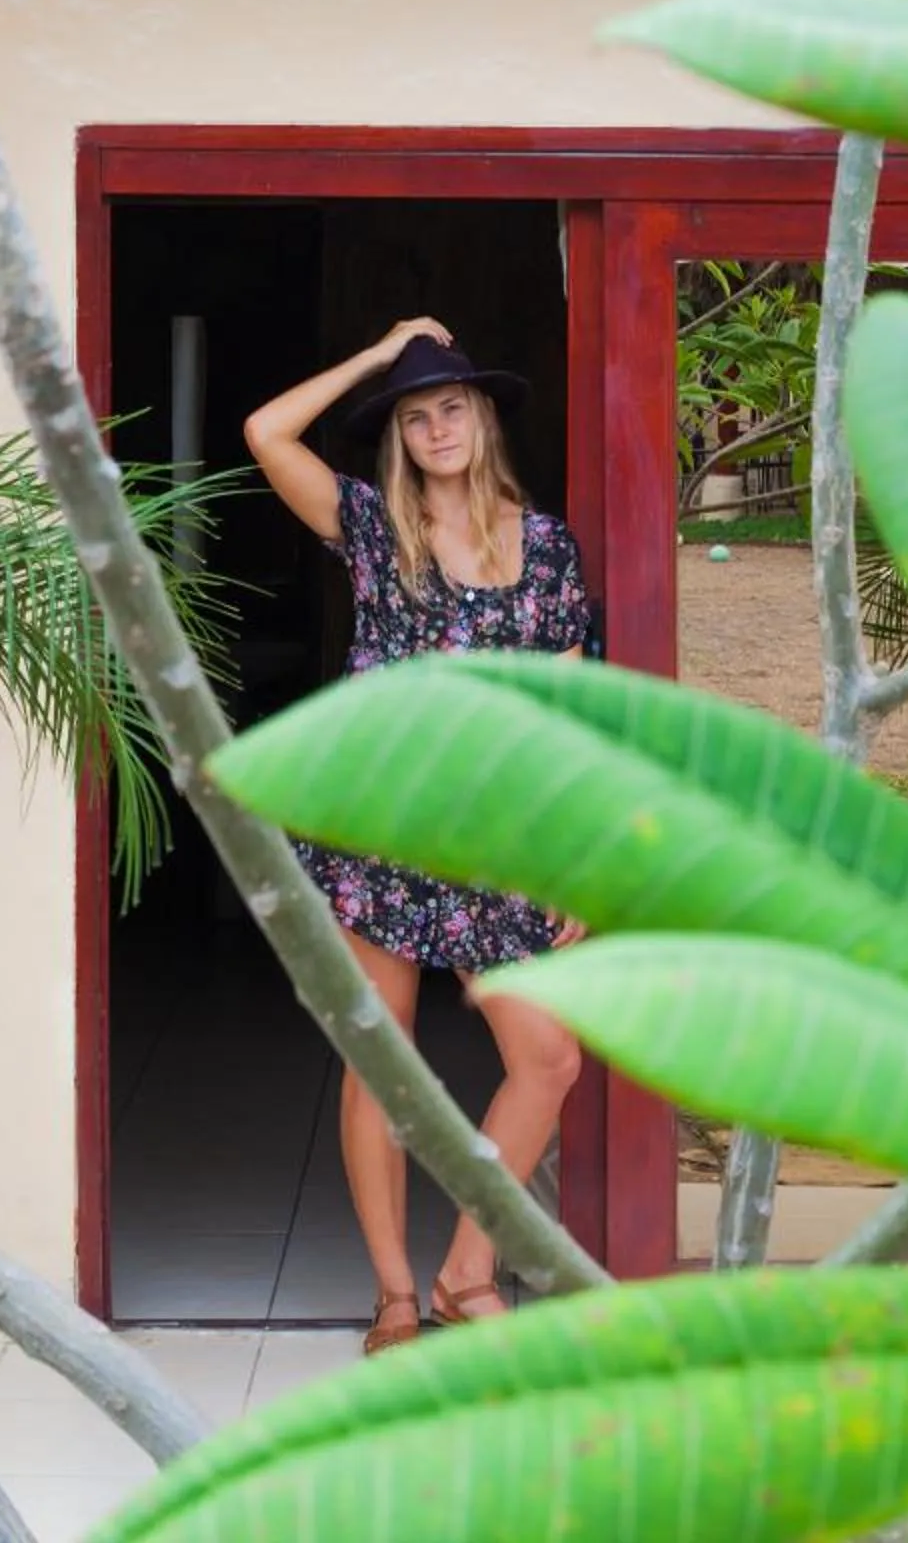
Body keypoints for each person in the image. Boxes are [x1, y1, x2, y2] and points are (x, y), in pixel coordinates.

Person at [243, 316, 593, 1356]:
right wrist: (377, 354)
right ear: (397, 438)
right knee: (381, 1063)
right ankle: (396, 1296)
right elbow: (267, 431)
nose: (435, 427)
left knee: (549, 1056)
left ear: (481, 420)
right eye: (413, 416)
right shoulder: (370, 529)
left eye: (450, 406)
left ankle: (466, 1270)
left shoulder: (549, 547)